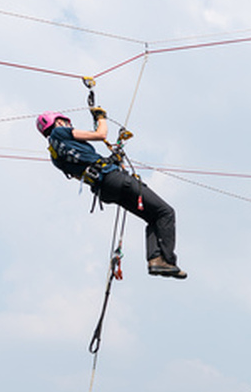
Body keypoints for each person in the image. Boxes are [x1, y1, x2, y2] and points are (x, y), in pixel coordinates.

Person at [37, 107, 186, 278]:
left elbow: (84, 172)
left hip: (105, 189)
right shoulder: (60, 132)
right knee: (166, 212)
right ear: (59, 122)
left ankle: (156, 260)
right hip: (114, 179)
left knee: (153, 217)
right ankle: (168, 261)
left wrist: (110, 162)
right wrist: (101, 118)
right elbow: (101, 134)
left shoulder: (55, 157)